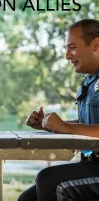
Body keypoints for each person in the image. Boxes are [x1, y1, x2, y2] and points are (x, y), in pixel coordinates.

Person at [18, 19, 99, 201]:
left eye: (72, 47)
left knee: (50, 181)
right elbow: (91, 125)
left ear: (95, 44)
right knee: (26, 199)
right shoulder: (90, 80)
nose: (67, 56)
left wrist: (66, 128)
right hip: (91, 163)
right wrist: (50, 125)